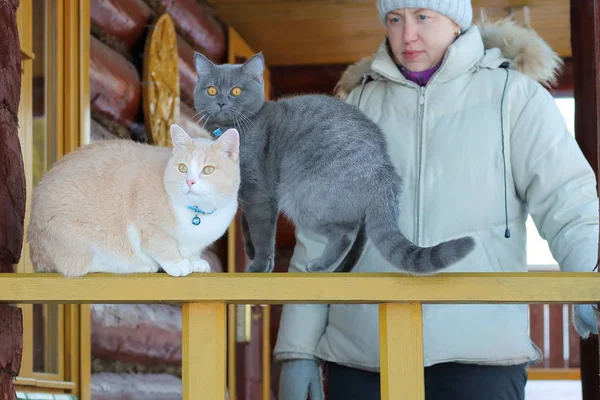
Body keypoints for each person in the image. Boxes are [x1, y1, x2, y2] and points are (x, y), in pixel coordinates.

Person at [273, 1, 600, 399]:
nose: (407, 35)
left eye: (423, 16)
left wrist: (590, 282)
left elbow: (568, 200)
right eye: (395, 19)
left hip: (479, 356)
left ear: (456, 21)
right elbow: (319, 237)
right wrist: (299, 350)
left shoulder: (514, 98)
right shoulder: (354, 108)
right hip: (363, 355)